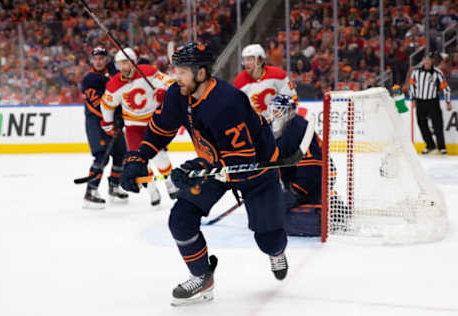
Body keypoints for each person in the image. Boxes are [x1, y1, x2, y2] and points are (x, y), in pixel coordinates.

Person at [119, 42, 289, 306]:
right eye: (176, 70)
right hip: (214, 164)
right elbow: (161, 127)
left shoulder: (227, 102)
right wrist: (138, 157)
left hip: (256, 167)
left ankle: (276, 250)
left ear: (201, 73)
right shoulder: (178, 93)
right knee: (181, 219)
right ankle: (202, 277)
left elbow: (241, 159)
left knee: (268, 239)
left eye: (183, 72)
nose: (177, 77)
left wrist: (197, 168)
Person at [100, 47, 179, 206]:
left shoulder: (148, 71)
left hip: (153, 123)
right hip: (133, 127)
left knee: (159, 157)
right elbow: (106, 105)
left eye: (126, 63)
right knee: (138, 161)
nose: (123, 67)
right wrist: (108, 123)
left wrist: (164, 91)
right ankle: (151, 189)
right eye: (120, 64)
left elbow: (171, 83)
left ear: (134, 62)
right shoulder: (114, 85)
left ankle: (169, 181)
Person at [267, 94, 323, 236]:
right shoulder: (282, 129)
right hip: (297, 181)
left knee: (274, 217)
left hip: (314, 182)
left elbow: (313, 164)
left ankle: (315, 208)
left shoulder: (299, 128)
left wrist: (296, 191)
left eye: (278, 109)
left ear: (290, 111)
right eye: (273, 109)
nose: (274, 113)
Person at [81, 47, 128, 209]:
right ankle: (90, 192)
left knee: (121, 153)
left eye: (102, 58)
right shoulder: (89, 79)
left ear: (107, 60)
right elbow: (96, 104)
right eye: (96, 59)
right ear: (92, 61)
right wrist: (114, 115)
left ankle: (114, 186)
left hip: (114, 122)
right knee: (102, 157)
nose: (99, 61)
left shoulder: (115, 73)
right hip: (96, 123)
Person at [233, 43, 298, 120]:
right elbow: (237, 107)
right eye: (245, 59)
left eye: (249, 59)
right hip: (255, 125)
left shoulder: (278, 74)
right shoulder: (239, 81)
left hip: (279, 122)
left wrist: (276, 113)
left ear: (260, 60)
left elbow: (292, 96)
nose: (246, 63)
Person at [409, 52, 452, 155]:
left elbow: (445, 87)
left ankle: (442, 147)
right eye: (425, 59)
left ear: (432, 61)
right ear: (423, 60)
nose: (427, 61)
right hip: (420, 101)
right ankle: (430, 145)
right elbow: (411, 86)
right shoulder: (416, 72)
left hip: (433, 101)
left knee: (437, 124)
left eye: (429, 59)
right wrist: (413, 99)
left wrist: (448, 101)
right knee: (422, 124)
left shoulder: (437, 73)